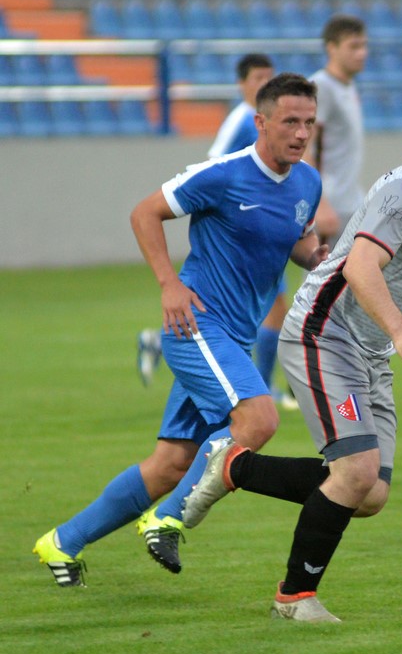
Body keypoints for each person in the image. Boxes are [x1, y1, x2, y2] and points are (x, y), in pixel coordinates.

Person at [181, 76, 402, 622]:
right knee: (355, 474)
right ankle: (294, 598)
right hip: (323, 332)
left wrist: (389, 339)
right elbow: (360, 267)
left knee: (370, 494)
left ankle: (236, 466)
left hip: (370, 351)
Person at [33, 73, 329, 587]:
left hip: (233, 338)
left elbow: (296, 242)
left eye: (309, 122)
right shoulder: (224, 175)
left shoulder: (307, 182)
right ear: (261, 122)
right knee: (258, 420)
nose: (301, 133)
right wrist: (169, 284)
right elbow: (144, 213)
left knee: (171, 463)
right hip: (196, 325)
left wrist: (318, 259)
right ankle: (167, 519)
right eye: (290, 122)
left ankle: (62, 541)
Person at [137, 53, 297, 411]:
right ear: (242, 84)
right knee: (266, 310)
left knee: (260, 311)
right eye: (257, 78)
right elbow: (213, 168)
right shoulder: (241, 120)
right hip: (241, 235)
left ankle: (255, 383)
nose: (264, 84)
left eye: (269, 77)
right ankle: (262, 386)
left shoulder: (273, 123)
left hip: (262, 232)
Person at [304, 13, 368, 246]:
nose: (362, 53)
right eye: (354, 46)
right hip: (330, 208)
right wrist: (319, 204)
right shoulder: (321, 87)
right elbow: (305, 148)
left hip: (350, 203)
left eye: (364, 46)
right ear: (332, 48)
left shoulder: (348, 85)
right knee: (325, 270)